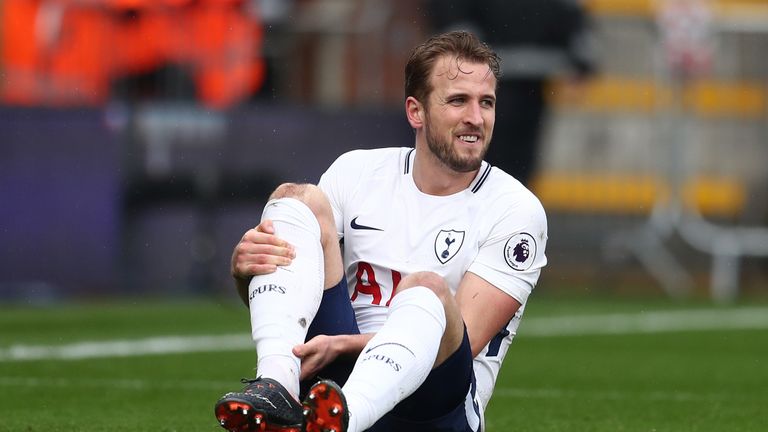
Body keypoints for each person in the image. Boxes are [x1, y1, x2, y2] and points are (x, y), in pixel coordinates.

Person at [214, 31, 548, 432]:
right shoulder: (357, 172)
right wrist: (248, 270)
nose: (476, 118)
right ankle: (276, 388)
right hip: (332, 381)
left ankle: (343, 419)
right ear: (416, 111)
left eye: (486, 103)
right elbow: (293, 291)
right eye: (458, 100)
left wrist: (342, 345)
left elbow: (465, 341)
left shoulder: (516, 210)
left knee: (427, 291)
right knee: (296, 199)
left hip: (435, 408)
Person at [427, 0, 596, 186]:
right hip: (491, 76)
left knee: (511, 162)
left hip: (526, 80)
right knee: (487, 157)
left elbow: (573, 20)